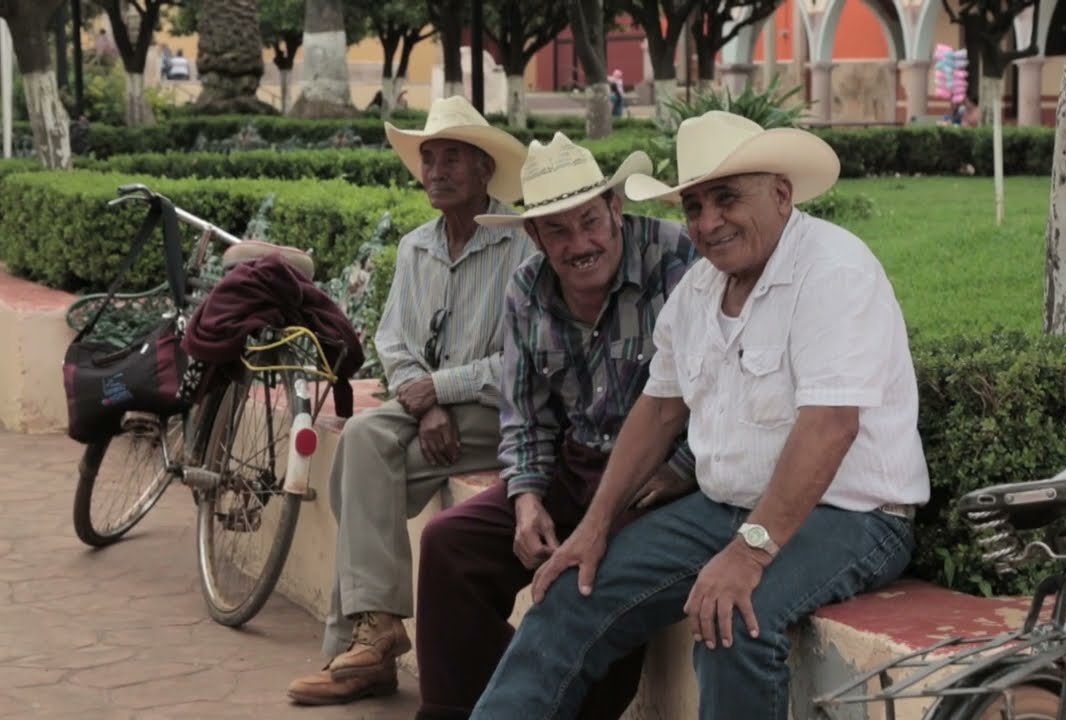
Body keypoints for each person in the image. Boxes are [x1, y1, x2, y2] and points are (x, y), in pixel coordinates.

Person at [470, 111, 931, 719]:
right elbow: (658, 411)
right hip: (723, 509)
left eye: (727, 198)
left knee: (732, 621)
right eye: (693, 205)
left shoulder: (833, 270)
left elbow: (831, 426)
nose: (708, 223)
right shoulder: (699, 289)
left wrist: (749, 552)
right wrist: (595, 526)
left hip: (852, 515)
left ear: (782, 194)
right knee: (568, 593)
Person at [412, 132, 699, 720]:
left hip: (656, 478)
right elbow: (524, 412)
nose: (580, 244)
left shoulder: (675, 258)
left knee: (588, 581)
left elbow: (718, 386)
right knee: (449, 546)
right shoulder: (528, 287)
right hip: (574, 466)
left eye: (590, 221)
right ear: (534, 238)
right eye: (558, 231)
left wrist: (683, 467)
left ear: (616, 208)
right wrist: (526, 498)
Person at [285, 96, 535, 706]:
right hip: (429, 412)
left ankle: (359, 643)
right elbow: (393, 343)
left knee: (357, 467)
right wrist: (425, 406)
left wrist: (440, 391)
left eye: (453, 158)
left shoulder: (520, 243)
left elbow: (524, 362)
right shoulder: (415, 246)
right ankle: (377, 634)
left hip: (503, 411)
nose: (437, 171)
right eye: (429, 159)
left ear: (483, 171)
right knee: (365, 445)